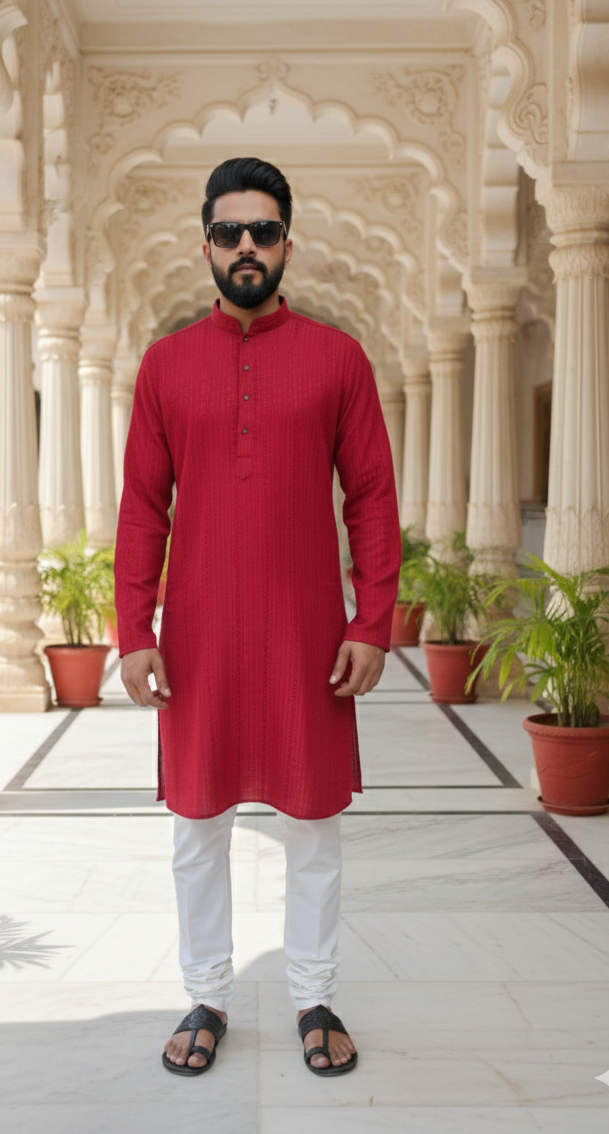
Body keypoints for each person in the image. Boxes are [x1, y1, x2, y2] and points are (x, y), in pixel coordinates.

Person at [114, 157, 401, 1078]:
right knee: (198, 828)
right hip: (198, 635)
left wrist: (372, 621)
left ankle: (314, 996)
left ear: (287, 244)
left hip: (307, 634)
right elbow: (140, 508)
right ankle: (207, 995)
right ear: (206, 245)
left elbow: (372, 498)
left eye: (264, 231)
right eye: (231, 232)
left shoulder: (338, 359)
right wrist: (133, 630)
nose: (248, 247)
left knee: (314, 824)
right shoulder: (165, 366)